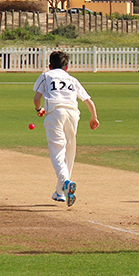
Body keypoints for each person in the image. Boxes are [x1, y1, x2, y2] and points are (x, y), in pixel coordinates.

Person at [33, 50, 100, 206]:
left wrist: (39, 109)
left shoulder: (45, 76)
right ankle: (60, 192)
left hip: (55, 113)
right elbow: (88, 101)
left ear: (49, 65)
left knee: (57, 152)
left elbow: (37, 98)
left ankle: (65, 182)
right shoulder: (72, 79)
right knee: (69, 152)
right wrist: (94, 117)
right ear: (67, 67)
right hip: (73, 114)